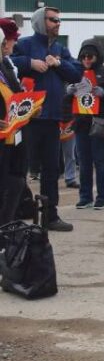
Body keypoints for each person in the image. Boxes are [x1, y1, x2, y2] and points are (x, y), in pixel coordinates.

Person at [11, 6, 83, 231]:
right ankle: (14, 214)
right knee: (19, 169)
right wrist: (29, 63)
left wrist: (59, 63)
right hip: (27, 119)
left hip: (52, 118)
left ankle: (50, 216)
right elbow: (8, 63)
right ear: (41, 21)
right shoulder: (25, 45)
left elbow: (77, 73)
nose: (57, 23)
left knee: (52, 170)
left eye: (58, 20)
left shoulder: (60, 48)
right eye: (53, 20)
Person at [66, 39, 104, 210]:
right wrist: (69, 92)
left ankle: (103, 197)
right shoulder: (75, 73)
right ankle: (85, 197)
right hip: (81, 123)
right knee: (84, 162)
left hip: (100, 123)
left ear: (97, 56)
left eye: (90, 56)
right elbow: (66, 101)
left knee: (100, 161)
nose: (87, 59)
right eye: (83, 56)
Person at [0, 18, 26, 225]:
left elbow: (14, 96)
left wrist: (29, 106)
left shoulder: (6, 68)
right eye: (7, 41)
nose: (12, 44)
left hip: (11, 140)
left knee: (15, 182)